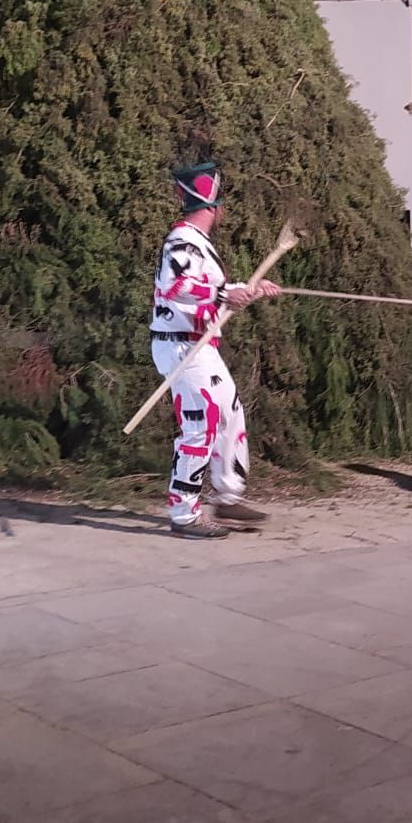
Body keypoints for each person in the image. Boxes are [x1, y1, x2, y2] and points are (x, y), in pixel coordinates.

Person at [150, 161, 279, 539]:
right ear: (213, 207)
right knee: (200, 423)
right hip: (181, 348)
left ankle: (226, 497)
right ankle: (184, 513)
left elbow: (207, 292)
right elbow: (175, 286)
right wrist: (224, 292)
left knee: (229, 413)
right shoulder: (182, 240)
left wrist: (250, 289)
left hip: (200, 345)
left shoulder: (198, 243)